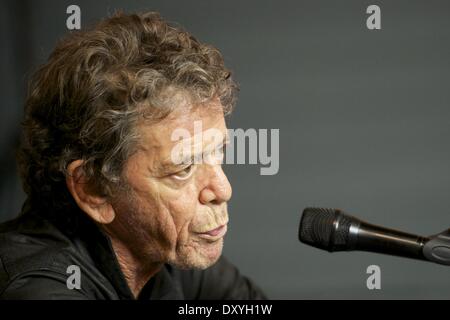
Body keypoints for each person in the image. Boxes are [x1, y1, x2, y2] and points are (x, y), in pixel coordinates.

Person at [0, 11, 266, 300]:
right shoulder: (38, 289)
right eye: (184, 168)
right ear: (94, 190)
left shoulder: (171, 248)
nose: (223, 189)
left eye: (218, 151)